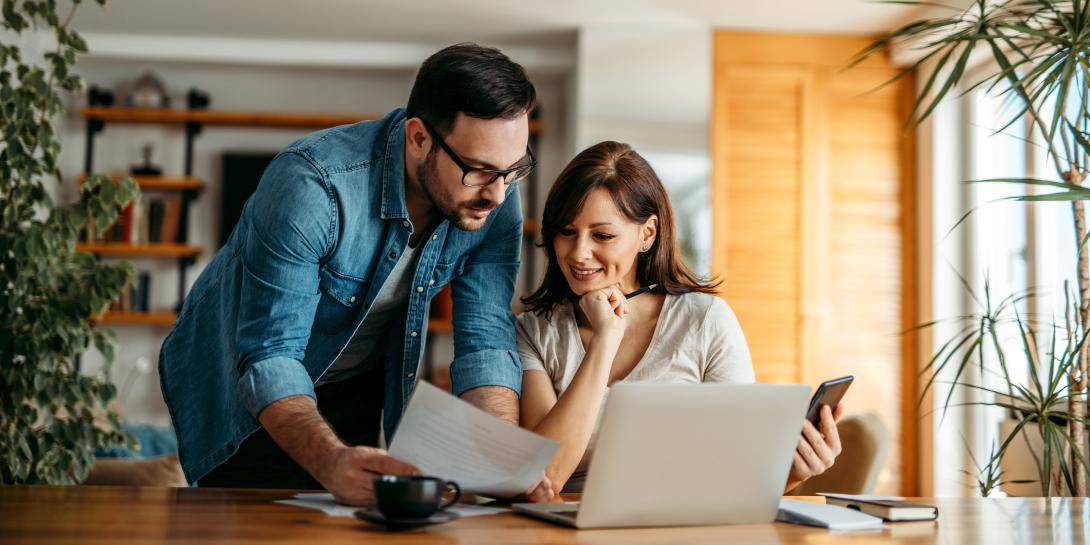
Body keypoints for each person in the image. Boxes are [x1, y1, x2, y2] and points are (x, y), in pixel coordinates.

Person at [159, 43, 552, 505]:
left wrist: (499, 456)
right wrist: (327, 461)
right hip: (242, 387)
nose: (497, 194)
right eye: (479, 170)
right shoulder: (311, 186)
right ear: (419, 138)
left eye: (513, 170)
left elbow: (485, 336)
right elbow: (271, 354)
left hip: (355, 381)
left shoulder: (496, 195)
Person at [517, 141, 843, 495]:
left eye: (602, 235)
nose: (578, 253)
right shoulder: (533, 332)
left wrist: (792, 474)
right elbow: (545, 478)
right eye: (567, 232)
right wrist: (605, 341)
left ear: (648, 233)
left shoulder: (705, 322)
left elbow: (740, 473)